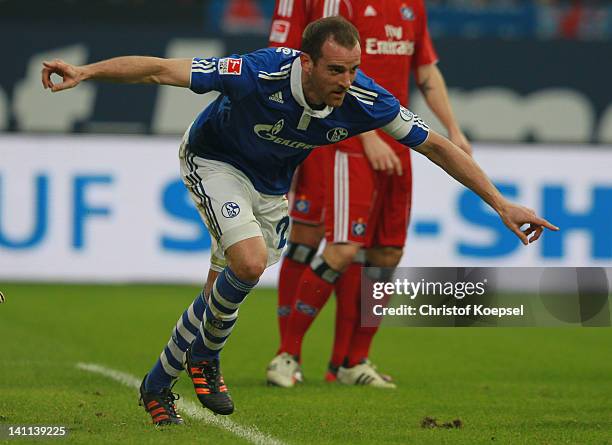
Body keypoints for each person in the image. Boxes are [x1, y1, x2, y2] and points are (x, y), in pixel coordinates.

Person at [41, 16, 557, 425]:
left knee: (220, 289)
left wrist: (500, 202)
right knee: (249, 261)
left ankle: (157, 384)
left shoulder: (362, 99)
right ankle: (206, 359)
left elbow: (438, 148)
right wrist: (86, 73)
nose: (347, 82)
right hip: (214, 161)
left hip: (269, 188)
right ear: (306, 63)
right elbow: (161, 70)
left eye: (354, 69)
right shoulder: (257, 71)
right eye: (336, 70)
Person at [266, 0, 471, 388]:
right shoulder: (343, 5)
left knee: (386, 253)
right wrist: (368, 134)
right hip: (350, 140)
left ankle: (352, 361)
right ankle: (287, 353)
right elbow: (329, 72)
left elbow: (426, 71)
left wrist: (453, 129)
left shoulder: (413, 7)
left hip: (401, 139)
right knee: (337, 246)